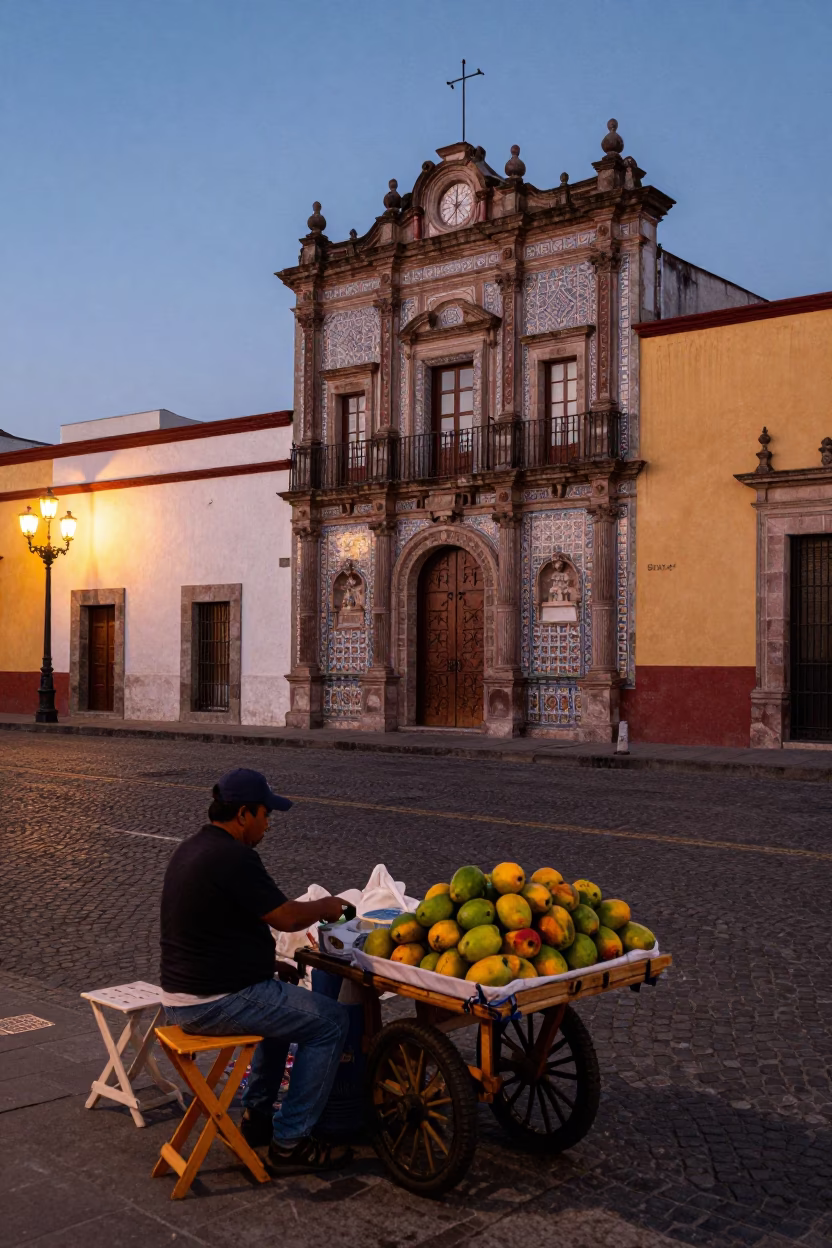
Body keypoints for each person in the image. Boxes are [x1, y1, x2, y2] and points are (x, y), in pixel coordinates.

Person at [160, 767, 350, 1175]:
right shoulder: (233, 856)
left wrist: (269, 962)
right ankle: (292, 1141)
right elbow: (282, 916)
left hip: (188, 994)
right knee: (331, 1022)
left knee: (279, 997)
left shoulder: (193, 847)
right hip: (209, 1002)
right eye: (266, 814)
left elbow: (215, 930)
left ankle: (258, 1115)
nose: (268, 823)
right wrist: (326, 907)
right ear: (244, 814)